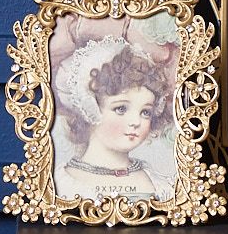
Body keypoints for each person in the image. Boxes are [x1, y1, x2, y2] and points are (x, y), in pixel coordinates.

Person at [51, 35, 175, 200]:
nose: (136, 122)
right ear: (91, 109)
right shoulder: (60, 184)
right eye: (121, 109)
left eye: (145, 112)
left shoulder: (160, 185)